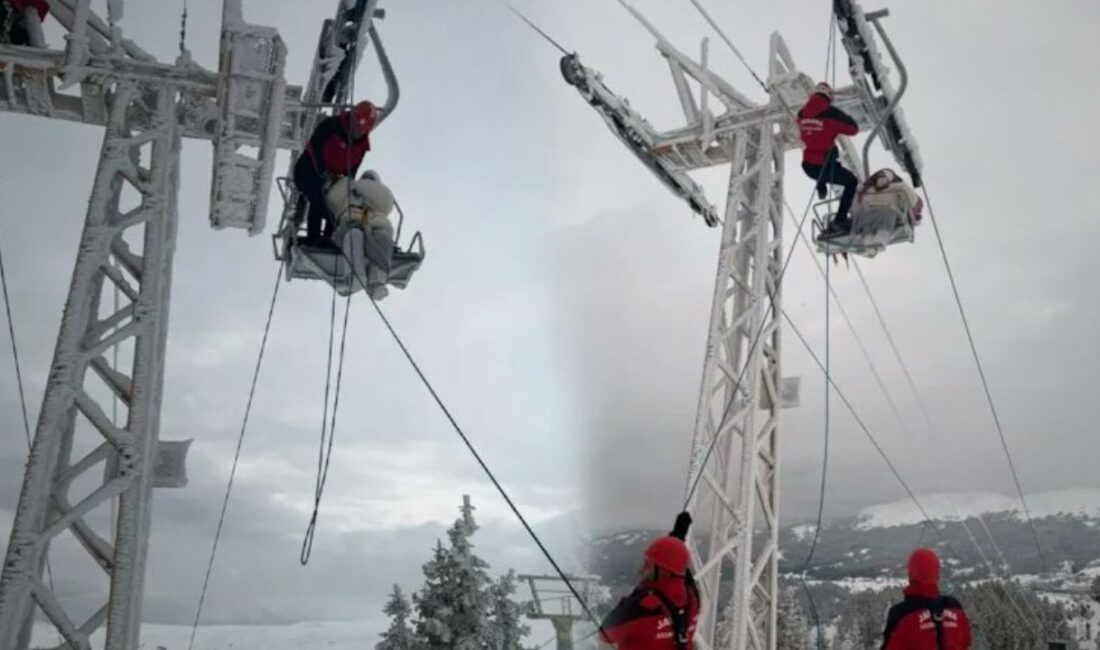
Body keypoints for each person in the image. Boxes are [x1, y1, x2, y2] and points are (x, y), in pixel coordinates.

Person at [600, 513, 700, 650]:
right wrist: (677, 538)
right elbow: (679, 570)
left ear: (663, 571)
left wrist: (631, 600)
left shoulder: (643, 607)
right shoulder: (692, 596)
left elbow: (605, 633)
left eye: (647, 565)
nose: (641, 570)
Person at [293, 100, 378, 247]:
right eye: (355, 124)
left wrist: (348, 188)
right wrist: (324, 172)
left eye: (361, 128)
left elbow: (352, 170)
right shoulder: (331, 126)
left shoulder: (362, 147)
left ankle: (330, 238)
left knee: (339, 204)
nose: (356, 130)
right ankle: (314, 239)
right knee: (318, 198)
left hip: (332, 179)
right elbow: (315, 149)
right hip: (307, 171)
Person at [798, 82, 860, 238]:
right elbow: (853, 128)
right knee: (851, 181)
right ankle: (839, 221)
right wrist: (840, 116)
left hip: (808, 166)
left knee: (827, 153)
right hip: (824, 166)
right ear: (829, 96)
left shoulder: (802, 114)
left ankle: (821, 187)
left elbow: (803, 124)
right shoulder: (830, 113)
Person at [881, 548, 972, 650]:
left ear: (911, 575)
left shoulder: (901, 614)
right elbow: (966, 642)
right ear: (937, 575)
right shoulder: (955, 608)